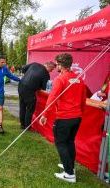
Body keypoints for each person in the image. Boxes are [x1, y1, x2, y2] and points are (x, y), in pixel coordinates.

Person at [39, 53, 86, 183]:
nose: (56, 67)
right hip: (76, 117)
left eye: (57, 64)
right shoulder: (79, 79)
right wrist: (81, 112)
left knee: (61, 143)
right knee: (69, 142)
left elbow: (52, 98)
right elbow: (83, 99)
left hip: (65, 117)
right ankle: (70, 166)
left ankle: (69, 174)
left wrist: (44, 115)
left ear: (60, 65)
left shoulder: (60, 79)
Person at [18, 62, 56, 129]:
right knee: (30, 109)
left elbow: (23, 69)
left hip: (21, 86)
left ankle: (22, 124)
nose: (51, 71)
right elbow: (44, 88)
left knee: (22, 106)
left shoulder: (35, 64)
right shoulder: (46, 74)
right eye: (52, 69)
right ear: (49, 67)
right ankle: (27, 126)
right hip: (30, 90)